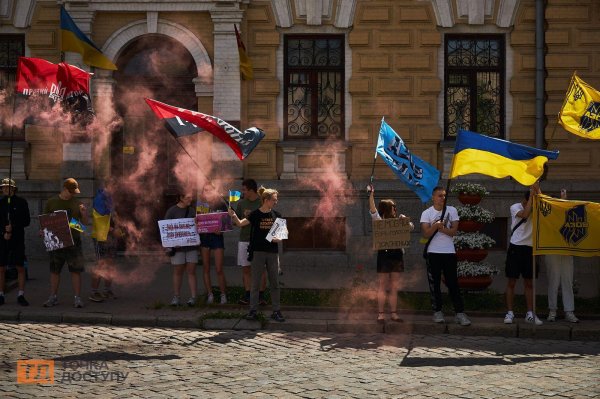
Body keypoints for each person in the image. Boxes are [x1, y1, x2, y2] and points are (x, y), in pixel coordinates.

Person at [229, 186, 285, 322]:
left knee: (274, 283)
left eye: (276, 200)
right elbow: (241, 224)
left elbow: (281, 236)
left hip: (272, 253)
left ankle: (276, 311)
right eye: (274, 200)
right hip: (258, 252)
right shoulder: (255, 214)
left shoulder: (277, 215)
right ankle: (253, 311)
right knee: (255, 283)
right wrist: (234, 215)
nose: (276, 202)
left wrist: (275, 238)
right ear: (266, 200)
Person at [420, 186, 471, 326]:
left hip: (449, 252)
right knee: (434, 283)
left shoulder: (452, 210)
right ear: (433, 197)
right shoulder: (427, 213)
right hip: (433, 252)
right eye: (439, 196)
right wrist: (435, 226)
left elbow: (454, 231)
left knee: (453, 283)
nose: (442, 198)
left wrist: (443, 229)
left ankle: (459, 313)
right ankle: (437, 311)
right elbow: (425, 234)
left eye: (444, 196)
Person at [368, 184, 413, 323]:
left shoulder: (398, 220)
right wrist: (371, 195)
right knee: (383, 285)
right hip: (384, 255)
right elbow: (373, 210)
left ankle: (394, 314)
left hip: (397, 255)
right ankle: (381, 314)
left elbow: (410, 227)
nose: (396, 209)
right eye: (394, 207)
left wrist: (404, 220)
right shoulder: (379, 221)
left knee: (394, 286)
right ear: (388, 208)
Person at [43, 178, 88, 308]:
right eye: (71, 191)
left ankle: (77, 298)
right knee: (55, 270)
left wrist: (84, 214)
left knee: (75, 271)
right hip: (56, 242)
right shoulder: (51, 202)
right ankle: (53, 297)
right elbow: (45, 221)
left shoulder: (77, 203)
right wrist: (43, 231)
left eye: (75, 192)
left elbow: (83, 225)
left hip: (73, 242)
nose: (73, 194)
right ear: (64, 189)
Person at [503, 182, 543, 325]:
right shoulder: (515, 207)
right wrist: (531, 197)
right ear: (525, 200)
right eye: (529, 201)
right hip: (516, 247)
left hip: (530, 249)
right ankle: (509, 313)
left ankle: (530, 313)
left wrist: (537, 188)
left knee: (529, 283)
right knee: (512, 281)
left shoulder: (537, 207)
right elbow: (525, 214)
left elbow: (545, 204)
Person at [546, 188, 579, 323]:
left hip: (566, 251)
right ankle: (552, 310)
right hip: (551, 250)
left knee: (567, 281)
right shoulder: (547, 216)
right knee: (553, 281)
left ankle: (569, 311)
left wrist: (565, 200)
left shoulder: (567, 214)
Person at [234, 179, 267, 305]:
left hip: (259, 241)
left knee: (261, 270)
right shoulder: (241, 203)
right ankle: (248, 295)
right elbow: (236, 222)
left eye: (244, 190)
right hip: (244, 240)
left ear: (251, 190)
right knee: (246, 269)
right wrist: (232, 217)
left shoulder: (262, 202)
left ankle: (261, 297)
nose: (242, 192)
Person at [164, 191, 199, 306]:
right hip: (178, 248)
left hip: (191, 246)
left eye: (191, 197)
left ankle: (193, 297)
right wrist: (171, 243)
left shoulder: (192, 211)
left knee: (191, 271)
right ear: (181, 197)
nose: (191, 199)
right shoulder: (172, 211)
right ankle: (176, 297)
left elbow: (197, 228)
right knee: (178, 272)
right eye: (188, 197)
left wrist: (197, 224)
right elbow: (165, 229)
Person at [0, 178, 31, 306]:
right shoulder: (0, 203)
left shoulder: (21, 202)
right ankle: (1, 294)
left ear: (14, 189)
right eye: (4, 187)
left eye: (9, 187)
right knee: (1, 267)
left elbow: (27, 221)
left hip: (17, 239)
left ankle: (21, 294)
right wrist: (3, 232)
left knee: (20, 267)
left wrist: (14, 227)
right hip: (2, 239)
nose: (6, 189)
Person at [198, 185, 228, 304]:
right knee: (206, 268)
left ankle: (223, 294)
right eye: (205, 190)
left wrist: (221, 230)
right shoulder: (201, 205)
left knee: (219, 268)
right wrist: (197, 224)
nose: (208, 192)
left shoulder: (220, 204)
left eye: (210, 190)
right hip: (205, 238)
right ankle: (210, 294)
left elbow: (226, 223)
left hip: (217, 238)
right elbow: (199, 222)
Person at [89, 187, 118, 302]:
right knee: (101, 264)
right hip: (101, 238)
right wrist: (112, 230)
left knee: (110, 263)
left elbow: (113, 216)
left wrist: (118, 227)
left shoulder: (110, 198)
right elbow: (99, 220)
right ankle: (94, 292)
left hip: (111, 237)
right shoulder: (99, 199)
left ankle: (107, 290)